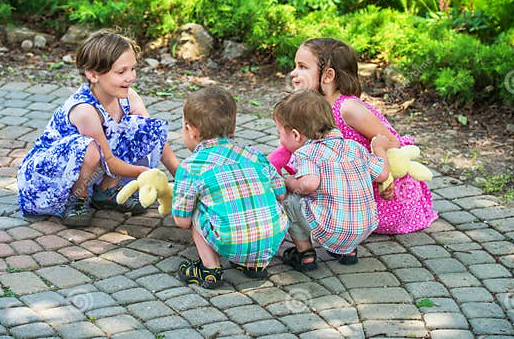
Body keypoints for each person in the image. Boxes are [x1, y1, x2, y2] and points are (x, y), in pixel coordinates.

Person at [17, 29, 179, 227]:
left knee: (144, 128)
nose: (131, 77)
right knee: (90, 149)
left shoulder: (129, 97)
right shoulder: (85, 110)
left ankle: (106, 191)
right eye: (121, 72)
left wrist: (182, 178)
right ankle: (78, 197)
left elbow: (155, 137)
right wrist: (144, 172)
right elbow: (109, 161)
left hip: (95, 165)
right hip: (50, 173)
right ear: (93, 75)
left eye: (133, 69)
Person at [288, 37, 438, 234]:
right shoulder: (316, 105)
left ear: (328, 76)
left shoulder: (347, 108)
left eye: (302, 67)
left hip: (383, 195)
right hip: (351, 184)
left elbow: (391, 142)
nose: (294, 73)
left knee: (300, 205)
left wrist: (387, 179)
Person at [172, 86, 288, 289]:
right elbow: (280, 193)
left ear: (191, 130)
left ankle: (210, 270)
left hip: (229, 239)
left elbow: (182, 221)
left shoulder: (191, 167)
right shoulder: (254, 155)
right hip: (273, 237)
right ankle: (254, 265)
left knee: (197, 207)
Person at [274, 90, 391, 271]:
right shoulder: (355, 147)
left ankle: (305, 255)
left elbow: (308, 184)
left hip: (332, 228)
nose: (280, 140)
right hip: (363, 227)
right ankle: (348, 252)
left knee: (289, 202)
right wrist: (380, 149)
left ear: (296, 135)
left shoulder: (308, 152)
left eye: (280, 134)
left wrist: (288, 182)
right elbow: (382, 175)